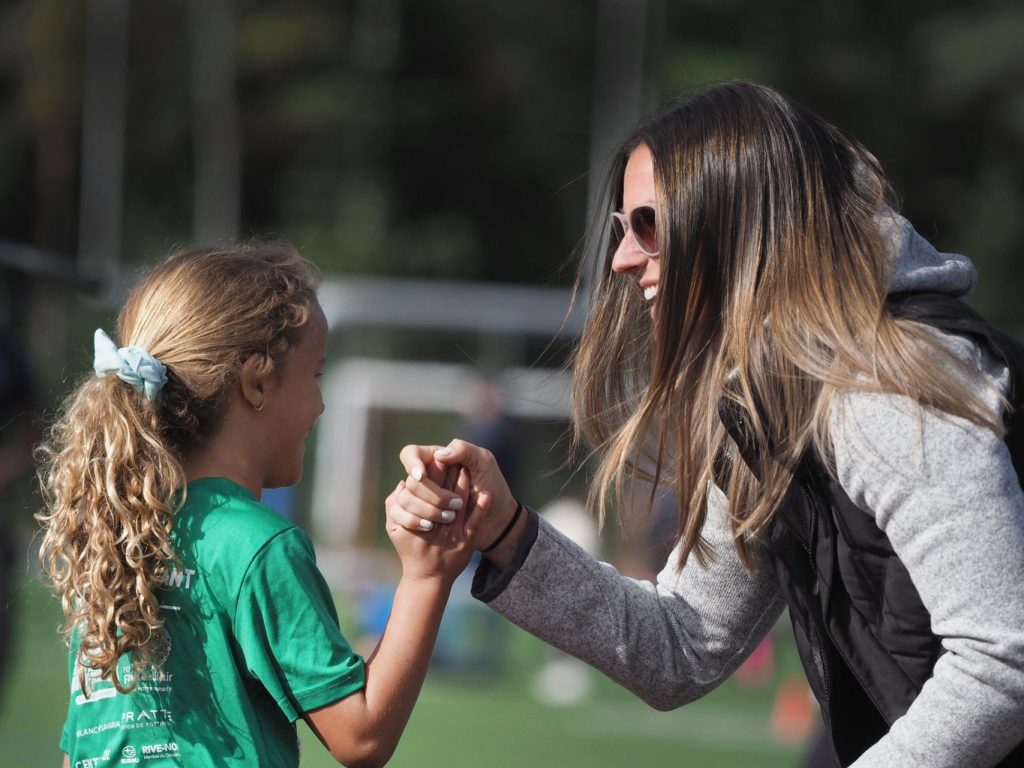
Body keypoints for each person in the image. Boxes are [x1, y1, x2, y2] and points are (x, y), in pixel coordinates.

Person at [388, 82, 1024, 767]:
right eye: (619, 229)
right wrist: (507, 532)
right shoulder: (773, 399)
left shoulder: (891, 392)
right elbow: (683, 645)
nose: (624, 259)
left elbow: (1003, 658)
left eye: (649, 224)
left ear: (738, 221)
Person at [35, 246, 477, 767]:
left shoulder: (116, 529)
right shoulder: (258, 544)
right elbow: (360, 737)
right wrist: (427, 576)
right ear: (257, 382)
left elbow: (81, 747)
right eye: (316, 375)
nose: (322, 403)